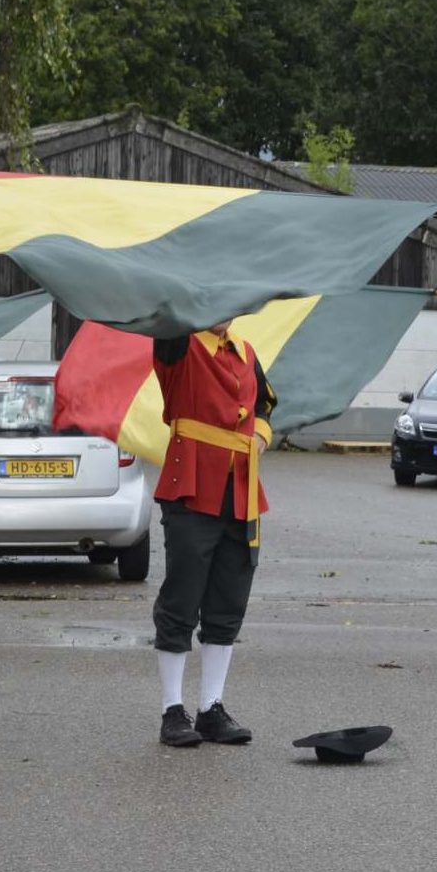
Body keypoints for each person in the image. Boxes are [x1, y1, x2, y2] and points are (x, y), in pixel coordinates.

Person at [149, 319, 276, 747]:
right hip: (191, 486)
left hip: (241, 487)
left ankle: (211, 708)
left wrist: (259, 436)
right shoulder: (177, 343)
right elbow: (162, 309)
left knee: (229, 599)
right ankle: (172, 710)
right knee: (181, 598)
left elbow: (266, 405)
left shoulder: (246, 351)